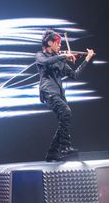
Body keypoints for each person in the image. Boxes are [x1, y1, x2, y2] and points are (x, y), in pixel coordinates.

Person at [35, 29, 95, 161]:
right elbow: (46, 63)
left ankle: (52, 152)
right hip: (49, 93)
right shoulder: (40, 56)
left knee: (64, 119)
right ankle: (64, 148)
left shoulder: (60, 61)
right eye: (57, 43)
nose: (59, 45)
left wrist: (86, 59)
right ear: (49, 42)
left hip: (59, 94)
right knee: (66, 113)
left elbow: (74, 75)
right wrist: (64, 56)